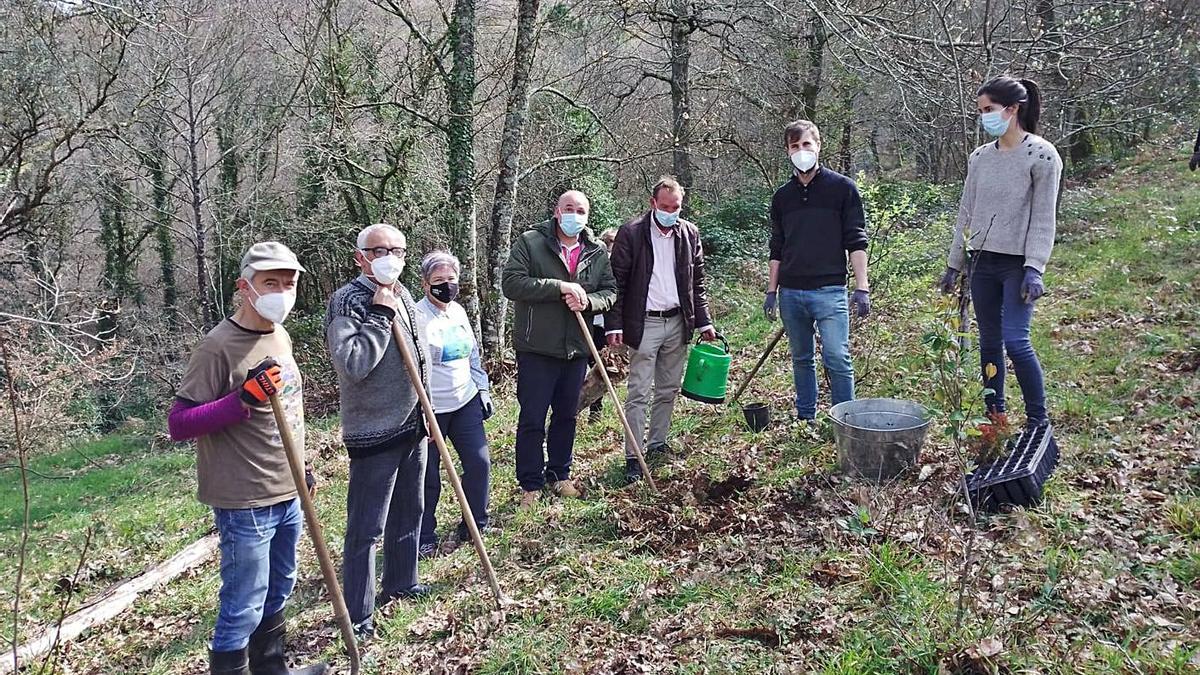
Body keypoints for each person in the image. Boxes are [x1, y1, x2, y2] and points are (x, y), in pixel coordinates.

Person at [168, 242, 327, 675]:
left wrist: (304, 467)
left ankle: (272, 669)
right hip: (246, 500)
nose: (281, 291)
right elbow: (179, 423)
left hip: (289, 488)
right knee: (243, 604)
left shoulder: (280, 333)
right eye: (269, 282)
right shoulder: (218, 346)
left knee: (280, 590)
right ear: (245, 286)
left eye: (289, 283)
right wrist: (241, 399)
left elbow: (289, 412)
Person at [937, 76, 1061, 431]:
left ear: (1012, 109)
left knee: (1015, 341)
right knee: (988, 342)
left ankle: (1038, 420)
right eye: (980, 111)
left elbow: (1043, 217)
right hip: (982, 262)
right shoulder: (979, 158)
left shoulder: (1041, 154)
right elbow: (967, 210)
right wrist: (954, 263)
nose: (984, 117)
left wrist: (1034, 267)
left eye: (988, 110)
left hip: (1016, 265)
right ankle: (995, 418)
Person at [325, 223, 430, 640]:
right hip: (373, 427)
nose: (390, 257)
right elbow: (352, 363)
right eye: (379, 250)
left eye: (398, 250)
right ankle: (359, 612)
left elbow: (417, 357)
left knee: (412, 508)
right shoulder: (347, 300)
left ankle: (402, 582)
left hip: (413, 421)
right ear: (360, 257)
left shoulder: (404, 292)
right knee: (367, 527)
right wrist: (381, 314)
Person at [501, 189, 617, 508]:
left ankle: (559, 474)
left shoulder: (596, 252)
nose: (574, 215)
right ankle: (530, 484)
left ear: (587, 216)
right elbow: (511, 283)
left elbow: (610, 292)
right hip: (537, 347)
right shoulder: (530, 242)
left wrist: (588, 300)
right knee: (533, 418)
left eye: (581, 210)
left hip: (576, 348)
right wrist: (559, 288)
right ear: (556, 211)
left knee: (567, 415)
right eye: (569, 208)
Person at [606, 177, 716, 484]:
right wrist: (613, 324)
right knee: (639, 391)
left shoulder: (689, 233)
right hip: (644, 323)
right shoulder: (632, 233)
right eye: (665, 206)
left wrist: (704, 321)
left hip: (679, 321)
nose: (670, 212)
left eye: (676, 207)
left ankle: (657, 444)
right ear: (653, 204)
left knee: (668, 389)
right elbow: (618, 283)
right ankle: (633, 455)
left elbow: (698, 283)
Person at [763, 119, 871, 421]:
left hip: (830, 290)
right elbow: (777, 246)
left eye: (806, 144)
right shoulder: (782, 197)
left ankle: (845, 420)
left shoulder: (843, 189)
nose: (801, 151)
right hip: (791, 292)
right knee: (801, 358)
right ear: (787, 151)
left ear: (818, 145)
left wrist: (862, 286)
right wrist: (772, 290)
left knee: (837, 356)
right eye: (794, 146)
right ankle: (806, 417)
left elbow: (856, 239)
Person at [413, 250, 493, 558]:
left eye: (451, 279)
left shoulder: (458, 311)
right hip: (432, 410)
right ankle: (423, 535)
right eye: (438, 281)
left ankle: (475, 524)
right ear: (425, 284)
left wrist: (483, 389)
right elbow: (414, 369)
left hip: (465, 401)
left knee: (479, 463)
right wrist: (422, 411)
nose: (446, 286)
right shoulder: (417, 317)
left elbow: (473, 356)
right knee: (428, 475)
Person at [586, 228, 619, 424]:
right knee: (588, 367)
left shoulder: (620, 264)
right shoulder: (596, 261)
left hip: (605, 326)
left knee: (598, 369)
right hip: (589, 322)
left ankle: (595, 411)